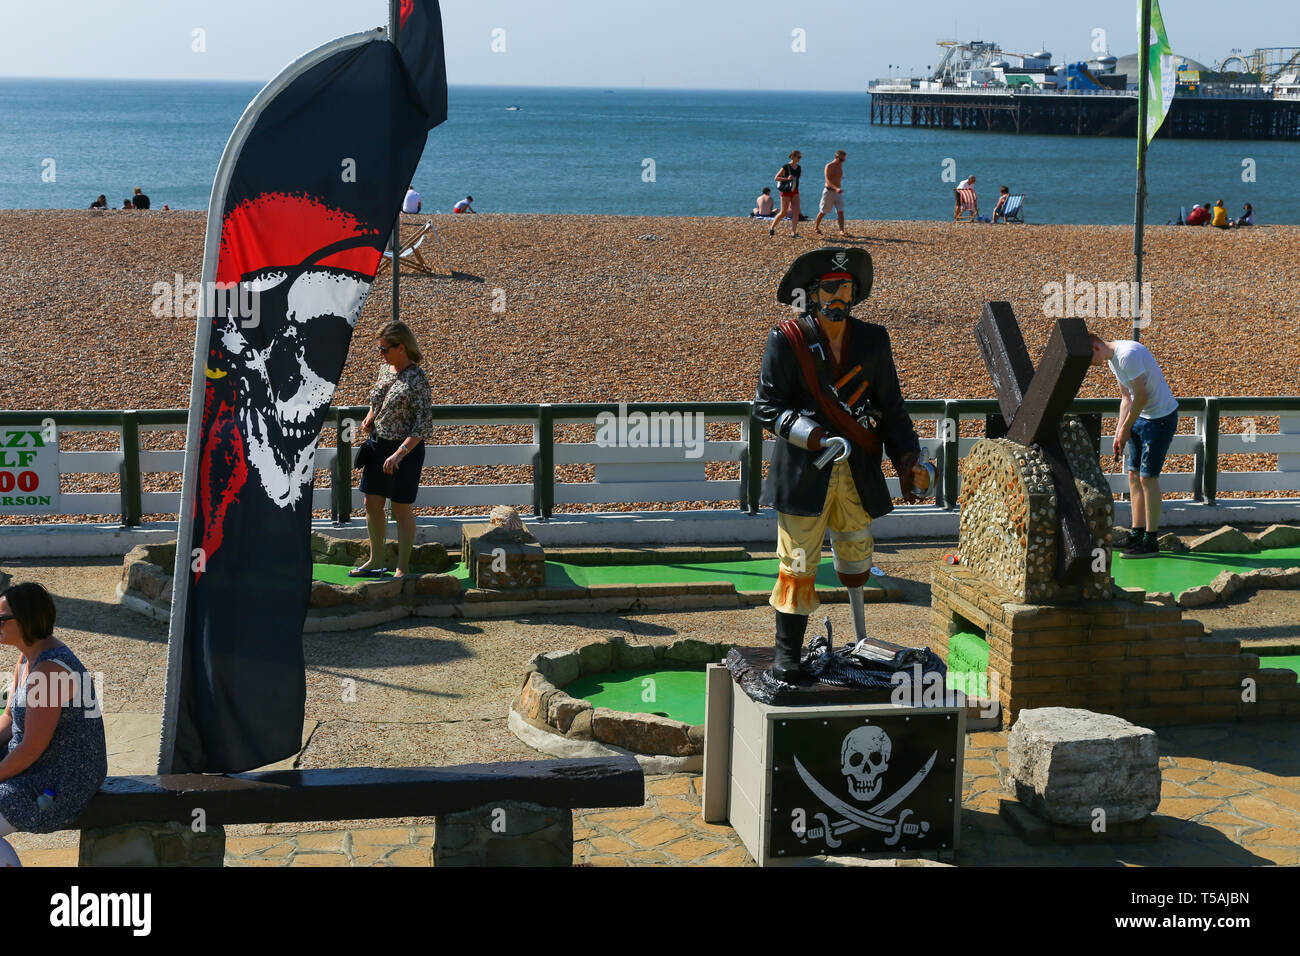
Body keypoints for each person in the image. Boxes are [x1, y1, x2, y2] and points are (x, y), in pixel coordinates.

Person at [754, 247, 928, 684]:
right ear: (811, 294)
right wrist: (812, 434)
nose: (839, 296)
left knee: (856, 553)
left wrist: (909, 460)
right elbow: (766, 408)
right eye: (830, 287)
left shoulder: (873, 339)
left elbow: (891, 407)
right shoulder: (786, 339)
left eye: (846, 287)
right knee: (797, 563)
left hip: (857, 471)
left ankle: (861, 639)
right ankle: (787, 655)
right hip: (804, 471)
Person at [0, 583, 108, 868]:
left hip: (61, 776)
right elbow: (10, 719)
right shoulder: (26, 658)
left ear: (25, 621)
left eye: (1, 619)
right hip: (38, 762)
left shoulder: (51, 671)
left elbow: (32, 747)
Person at [351, 322, 434, 579]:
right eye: (379, 348)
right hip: (378, 445)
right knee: (371, 502)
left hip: (404, 451)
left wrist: (399, 454)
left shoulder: (417, 379)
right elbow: (377, 400)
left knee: (401, 508)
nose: (381, 354)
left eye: (384, 349)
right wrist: (370, 416)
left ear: (402, 347)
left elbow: (422, 425)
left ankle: (403, 566)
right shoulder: (385, 370)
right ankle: (376, 559)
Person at [1089, 334, 1178, 559]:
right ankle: (1136, 534)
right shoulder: (1111, 360)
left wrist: (1127, 427)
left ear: (1095, 346)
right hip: (1141, 416)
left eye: (1089, 358)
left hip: (1160, 418)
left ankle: (1150, 540)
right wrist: (1119, 431)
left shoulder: (1127, 355)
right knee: (1133, 475)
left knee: (1148, 478)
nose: (1090, 365)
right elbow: (1126, 398)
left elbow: (1142, 397)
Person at [813, 150, 850, 236]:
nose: (842, 162)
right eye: (841, 160)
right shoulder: (829, 166)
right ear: (836, 157)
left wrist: (838, 189)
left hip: (838, 192)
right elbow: (827, 181)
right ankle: (816, 227)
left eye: (844, 160)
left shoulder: (840, 166)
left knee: (840, 211)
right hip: (829, 191)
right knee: (823, 211)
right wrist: (836, 188)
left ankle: (841, 230)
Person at [770, 150, 802, 237]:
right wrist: (787, 178)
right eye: (798, 157)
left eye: (800, 157)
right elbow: (776, 178)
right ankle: (772, 227)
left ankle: (793, 232)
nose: (799, 159)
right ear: (793, 157)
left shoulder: (799, 168)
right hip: (786, 191)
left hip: (795, 191)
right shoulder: (786, 166)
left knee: (796, 211)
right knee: (783, 212)